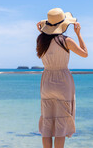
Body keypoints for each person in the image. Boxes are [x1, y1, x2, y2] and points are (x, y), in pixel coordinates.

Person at [36, 8, 88, 148]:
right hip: (62, 83)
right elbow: (85, 54)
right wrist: (78, 34)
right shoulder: (66, 41)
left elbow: (48, 38)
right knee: (61, 124)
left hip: (46, 82)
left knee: (47, 122)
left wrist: (42, 32)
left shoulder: (41, 41)